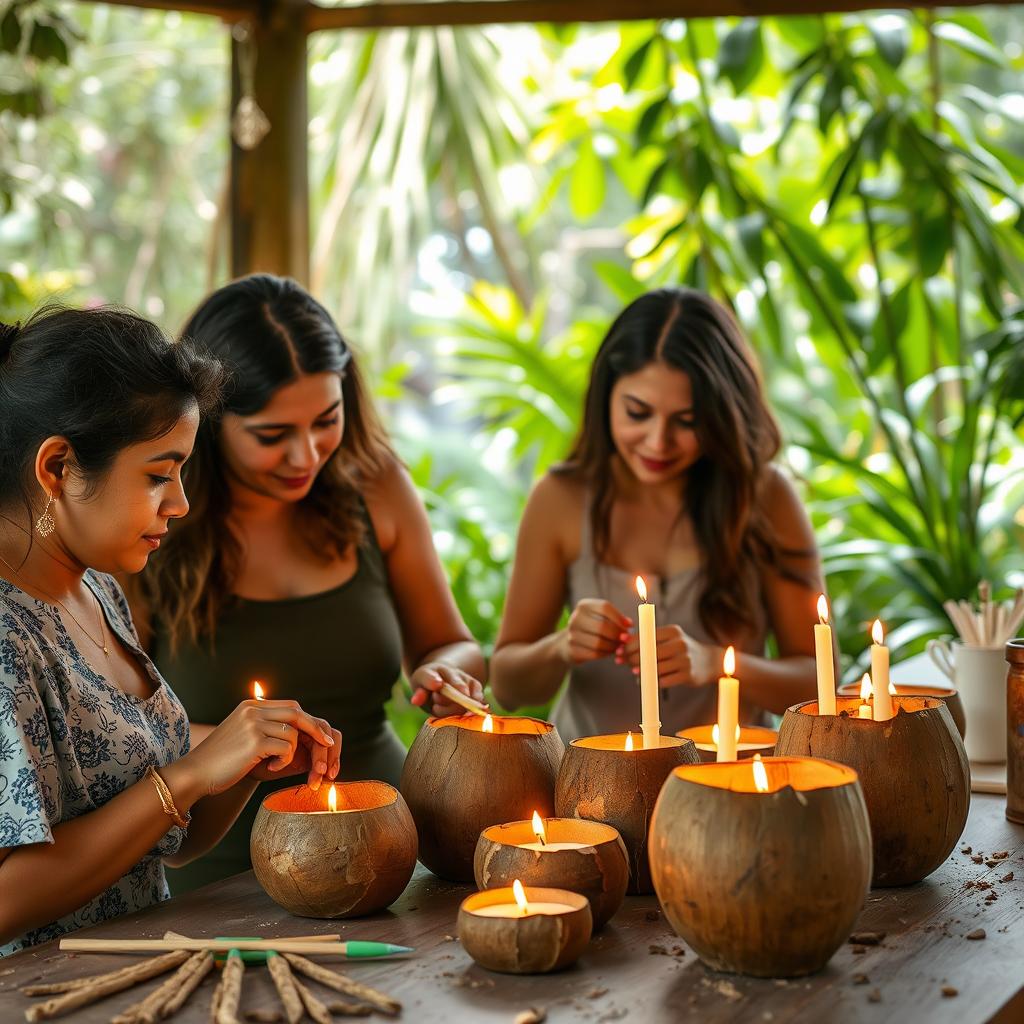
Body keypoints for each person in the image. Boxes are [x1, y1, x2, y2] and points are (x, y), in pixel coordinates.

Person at [0, 308, 342, 956]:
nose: (180, 501)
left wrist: (243, 762)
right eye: (158, 474)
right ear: (58, 469)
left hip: (135, 974)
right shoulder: (6, 639)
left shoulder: (94, 587)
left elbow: (170, 844)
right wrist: (187, 776)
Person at [134, 274, 485, 891]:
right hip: (218, 884)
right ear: (208, 423)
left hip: (394, 857)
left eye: (327, 420)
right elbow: (119, 729)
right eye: (273, 436)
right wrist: (235, 744)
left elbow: (450, 643)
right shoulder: (153, 525)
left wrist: (445, 671)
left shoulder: (376, 486)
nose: (307, 456)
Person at [490, 288, 822, 741]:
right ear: (606, 394)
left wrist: (718, 664)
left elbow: (819, 681)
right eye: (637, 412)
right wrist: (561, 646)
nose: (657, 442)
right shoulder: (561, 499)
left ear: (724, 416)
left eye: (687, 421)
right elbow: (508, 688)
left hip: (732, 790)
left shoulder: (765, 498)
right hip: (586, 796)